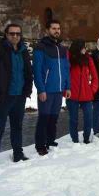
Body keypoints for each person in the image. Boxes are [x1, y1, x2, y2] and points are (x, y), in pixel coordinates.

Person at [0, 23, 33, 165]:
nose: (15, 36)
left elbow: (28, 72)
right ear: (6, 34)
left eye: (18, 33)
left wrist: (27, 90)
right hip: (3, 98)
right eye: (12, 33)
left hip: (19, 97)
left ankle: (18, 154)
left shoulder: (24, 51)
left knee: (17, 127)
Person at [33, 20, 70, 156]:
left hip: (59, 90)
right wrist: (41, 89)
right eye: (54, 28)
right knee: (43, 118)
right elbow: (37, 70)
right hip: (47, 90)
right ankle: (40, 145)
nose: (57, 31)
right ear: (48, 30)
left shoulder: (62, 48)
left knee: (53, 118)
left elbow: (66, 69)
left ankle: (50, 140)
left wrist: (67, 87)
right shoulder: (41, 47)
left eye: (58, 28)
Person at [67, 39, 99, 143]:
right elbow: (64, 76)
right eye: (83, 47)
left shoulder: (88, 59)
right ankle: (75, 141)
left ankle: (86, 139)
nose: (85, 49)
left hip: (86, 95)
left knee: (88, 118)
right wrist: (65, 91)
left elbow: (95, 76)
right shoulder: (69, 58)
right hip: (72, 94)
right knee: (73, 120)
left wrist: (92, 90)